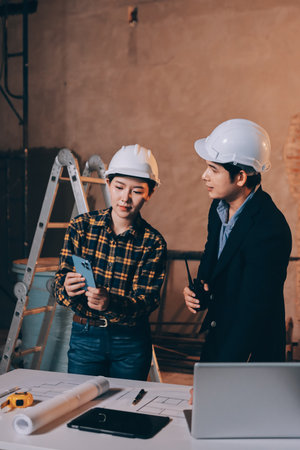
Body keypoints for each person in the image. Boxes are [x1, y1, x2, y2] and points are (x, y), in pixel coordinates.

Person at [54, 144, 167, 380]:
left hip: (130, 343)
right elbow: (59, 284)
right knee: (82, 406)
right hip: (85, 337)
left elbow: (147, 300)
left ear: (150, 193)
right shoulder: (81, 227)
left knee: (125, 411)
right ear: (108, 184)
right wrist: (65, 287)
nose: (125, 198)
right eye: (119, 187)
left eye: (136, 191)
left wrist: (110, 303)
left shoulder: (153, 242)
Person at [184, 118, 292, 362]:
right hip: (219, 335)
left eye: (213, 169)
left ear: (241, 177)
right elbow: (212, 255)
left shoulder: (269, 229)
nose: (204, 176)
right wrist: (199, 290)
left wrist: (218, 379)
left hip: (249, 354)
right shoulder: (218, 207)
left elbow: (253, 313)